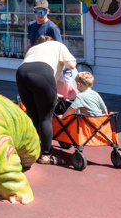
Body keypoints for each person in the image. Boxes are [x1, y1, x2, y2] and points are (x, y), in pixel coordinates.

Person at [16, 35, 76, 165]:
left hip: (21, 73)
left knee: (32, 114)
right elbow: (71, 65)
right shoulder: (59, 45)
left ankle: (30, 149)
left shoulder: (35, 48)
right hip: (42, 73)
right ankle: (46, 155)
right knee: (45, 117)